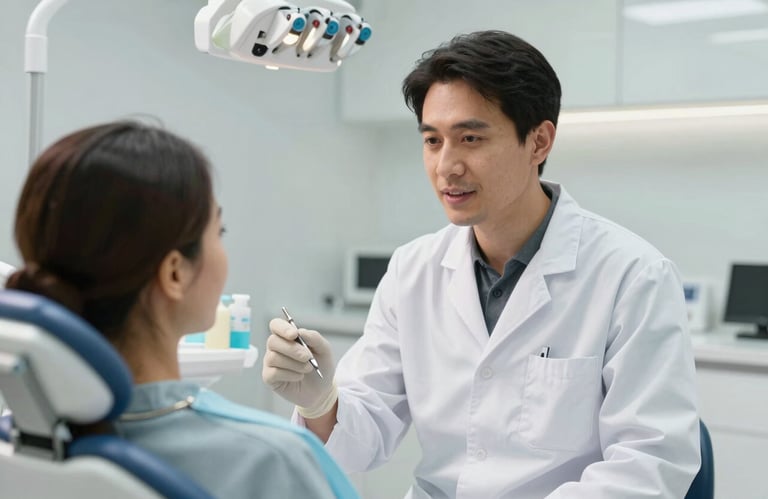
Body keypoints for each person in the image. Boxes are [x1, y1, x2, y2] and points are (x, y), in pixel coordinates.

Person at [263, 30, 701, 498]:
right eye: (433, 141)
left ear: (538, 142)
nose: (446, 166)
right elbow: (363, 433)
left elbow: (649, 463)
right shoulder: (414, 271)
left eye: (470, 138)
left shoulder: (633, 277)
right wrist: (320, 401)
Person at [5, 121, 358, 499]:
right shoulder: (271, 463)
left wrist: (323, 405)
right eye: (217, 233)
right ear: (175, 272)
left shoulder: (19, 442)